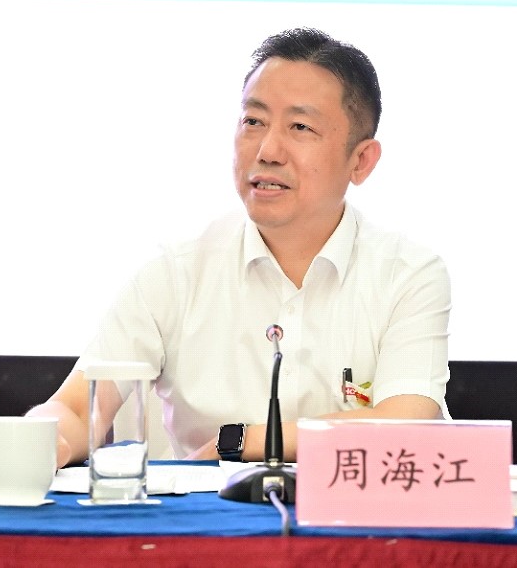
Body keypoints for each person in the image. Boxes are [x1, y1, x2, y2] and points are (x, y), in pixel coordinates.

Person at [27, 27, 450, 467]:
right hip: (208, 510)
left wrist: (244, 441)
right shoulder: (175, 271)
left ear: (361, 161)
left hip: (350, 508)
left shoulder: (408, 274)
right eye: (253, 121)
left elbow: (406, 423)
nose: (268, 151)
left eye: (300, 127)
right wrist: (41, 441)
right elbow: (79, 409)